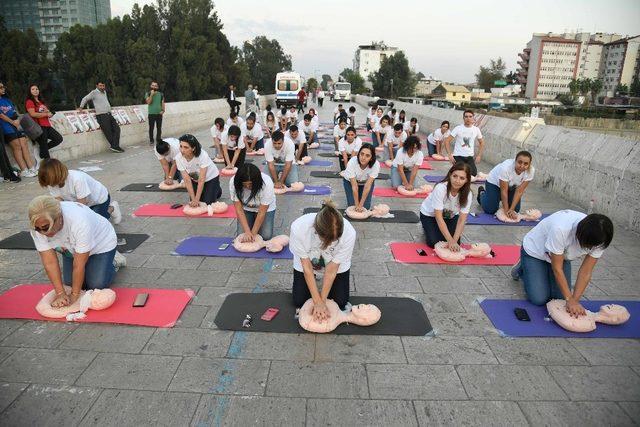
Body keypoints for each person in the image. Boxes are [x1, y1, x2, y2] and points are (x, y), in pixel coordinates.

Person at [29, 196, 125, 306]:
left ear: (59, 217)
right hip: (71, 249)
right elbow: (49, 262)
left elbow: (79, 265)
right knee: (70, 284)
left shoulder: (79, 220)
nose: (42, 233)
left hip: (101, 244)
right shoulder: (37, 226)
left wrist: (75, 295)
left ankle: (113, 261)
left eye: (46, 227)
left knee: (96, 284)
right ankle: (96, 264)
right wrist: (60, 293)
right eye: (38, 228)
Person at [512, 211, 613, 315]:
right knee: (539, 299)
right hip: (535, 252)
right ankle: (523, 266)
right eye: (588, 245)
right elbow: (557, 268)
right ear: (579, 234)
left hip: (561, 256)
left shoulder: (602, 238)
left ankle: (539, 271)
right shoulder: (561, 229)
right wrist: (569, 298)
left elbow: (586, 271)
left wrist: (574, 300)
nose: (591, 249)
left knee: (560, 299)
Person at [290, 199, 357, 316]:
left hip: (334, 264)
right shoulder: (299, 228)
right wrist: (317, 301)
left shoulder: (349, 233)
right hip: (308, 262)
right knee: (299, 301)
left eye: (334, 240)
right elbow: (307, 268)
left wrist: (322, 301)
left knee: (341, 302)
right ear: (316, 229)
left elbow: (331, 270)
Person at [37, 158, 122, 224]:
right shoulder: (50, 182)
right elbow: (59, 201)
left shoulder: (77, 179)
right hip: (78, 201)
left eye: (52, 183)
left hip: (99, 200)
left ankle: (112, 208)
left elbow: (82, 205)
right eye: (48, 184)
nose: (51, 186)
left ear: (58, 175)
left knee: (96, 222)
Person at [420, 162, 472, 249]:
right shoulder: (441, 188)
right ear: (450, 175)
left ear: (466, 180)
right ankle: (427, 227)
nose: (457, 181)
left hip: (450, 216)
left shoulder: (468, 194)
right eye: (455, 176)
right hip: (430, 215)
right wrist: (450, 240)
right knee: (433, 243)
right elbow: (438, 217)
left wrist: (454, 241)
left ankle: (437, 231)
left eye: (462, 178)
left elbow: (461, 220)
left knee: (456, 243)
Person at [478, 151, 535, 217]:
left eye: (525, 164)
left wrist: (511, 209)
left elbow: (519, 191)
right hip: (493, 183)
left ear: (529, 164)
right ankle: (482, 193)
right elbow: (504, 191)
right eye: (519, 162)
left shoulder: (531, 171)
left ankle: (496, 197)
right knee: (490, 210)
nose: (522, 166)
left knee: (515, 210)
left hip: (511, 186)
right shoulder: (506, 168)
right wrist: (506, 210)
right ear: (515, 161)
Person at [230, 163, 276, 241]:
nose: (248, 187)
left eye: (251, 184)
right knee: (241, 234)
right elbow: (239, 210)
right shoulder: (234, 182)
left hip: (265, 210)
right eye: (245, 185)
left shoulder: (267, 183)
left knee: (266, 236)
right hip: (246, 209)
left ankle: (255, 225)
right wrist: (247, 232)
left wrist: (253, 234)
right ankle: (251, 223)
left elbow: (261, 212)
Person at [0, 82, 38, 176]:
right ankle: (24, 170)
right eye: (0, 87)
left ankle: (31, 168)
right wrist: (13, 122)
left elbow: (14, 111)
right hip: (6, 126)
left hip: (16, 124)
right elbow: (1, 115)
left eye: (3, 86)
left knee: (24, 144)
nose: (3, 88)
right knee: (17, 146)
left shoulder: (6, 99)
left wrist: (17, 121)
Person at [176, 134, 222, 206]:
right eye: (181, 146)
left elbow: (201, 179)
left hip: (210, 177)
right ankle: (207, 191)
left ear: (193, 148)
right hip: (195, 179)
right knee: (194, 200)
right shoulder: (178, 158)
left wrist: (197, 200)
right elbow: (187, 180)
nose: (182, 150)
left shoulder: (202, 155)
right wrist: (193, 199)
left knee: (207, 203)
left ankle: (217, 189)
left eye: (186, 147)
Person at [78, 81, 124, 153]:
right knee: (108, 132)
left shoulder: (104, 92)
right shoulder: (94, 93)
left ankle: (115, 146)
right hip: (101, 115)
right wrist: (81, 107)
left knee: (117, 129)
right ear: (97, 86)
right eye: (100, 86)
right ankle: (115, 147)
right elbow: (85, 99)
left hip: (109, 114)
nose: (102, 87)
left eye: (103, 86)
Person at [25, 84, 63, 160]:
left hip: (47, 125)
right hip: (39, 126)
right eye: (33, 89)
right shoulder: (29, 101)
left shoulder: (41, 101)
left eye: (37, 89)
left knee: (58, 139)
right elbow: (33, 114)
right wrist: (46, 114)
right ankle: (47, 163)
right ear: (29, 91)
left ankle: (42, 150)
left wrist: (49, 113)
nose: (35, 91)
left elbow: (46, 112)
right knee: (44, 147)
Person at [443, 110, 484, 176]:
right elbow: (447, 141)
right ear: (463, 118)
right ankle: (454, 169)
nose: (468, 118)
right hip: (458, 156)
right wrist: (449, 155)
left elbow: (481, 143)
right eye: (466, 116)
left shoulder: (476, 129)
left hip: (469, 157)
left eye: (470, 116)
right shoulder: (458, 128)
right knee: (461, 173)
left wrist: (479, 155)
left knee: (473, 174)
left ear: (473, 118)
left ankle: (455, 169)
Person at [342, 143, 379, 210]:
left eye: (367, 156)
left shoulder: (376, 165)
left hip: (365, 183)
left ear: (371, 158)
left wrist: (361, 205)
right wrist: (357, 205)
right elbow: (354, 186)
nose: (363, 158)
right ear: (359, 154)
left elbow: (367, 186)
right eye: (362, 154)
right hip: (350, 183)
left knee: (365, 207)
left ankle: (361, 201)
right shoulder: (352, 161)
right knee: (352, 206)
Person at [145, 81, 165, 145]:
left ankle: (158, 139)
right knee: (151, 128)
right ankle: (151, 140)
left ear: (157, 87)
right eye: (153, 85)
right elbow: (149, 102)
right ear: (150, 86)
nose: (154, 87)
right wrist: (151, 95)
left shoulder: (161, 94)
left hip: (159, 114)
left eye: (155, 86)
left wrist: (163, 110)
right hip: (151, 114)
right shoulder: (147, 93)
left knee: (159, 128)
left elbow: (162, 103)